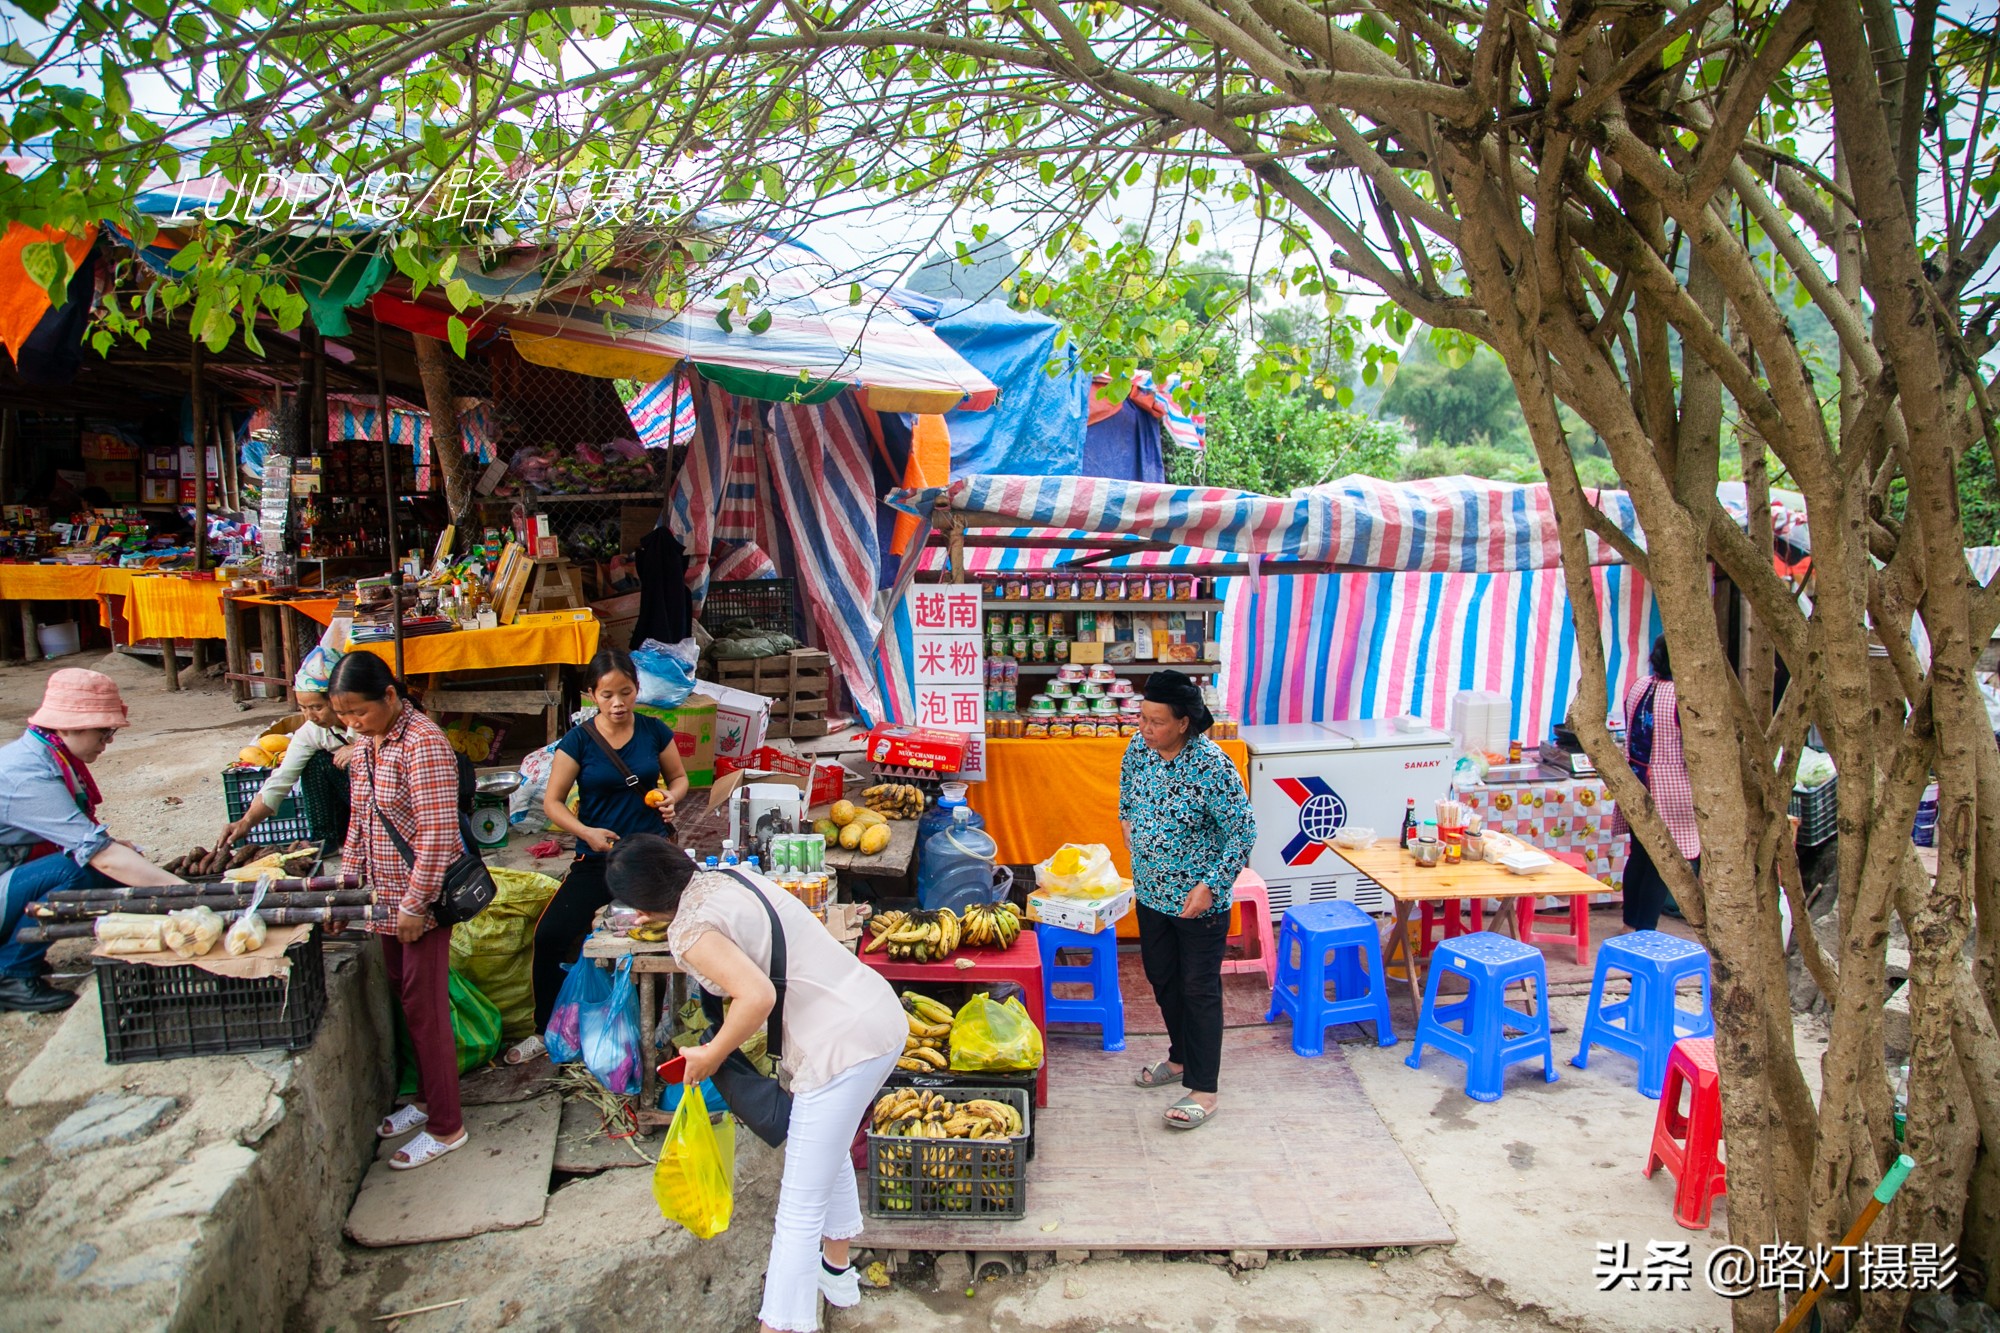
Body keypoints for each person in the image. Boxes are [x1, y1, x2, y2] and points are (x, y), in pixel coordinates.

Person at [608, 835, 905, 1333]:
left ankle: (782, 1324)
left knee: (797, 1210)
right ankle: (837, 1275)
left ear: (640, 904)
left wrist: (711, 1053)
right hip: (877, 1016)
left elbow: (757, 996)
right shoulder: (729, 875)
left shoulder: (688, 931)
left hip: (840, 1049)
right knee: (823, 1153)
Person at [504, 647, 689, 1065]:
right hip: (596, 858)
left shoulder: (654, 731)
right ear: (591, 695)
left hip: (647, 857)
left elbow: (678, 778)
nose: (618, 703)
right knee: (551, 934)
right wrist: (586, 832)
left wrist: (670, 800)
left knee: (656, 944)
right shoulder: (579, 741)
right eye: (607, 695)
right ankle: (544, 1028)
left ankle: (653, 1036)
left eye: (626, 692)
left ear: (638, 689)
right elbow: (552, 803)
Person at [330, 651, 468, 1170]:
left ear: (390, 696)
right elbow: (359, 821)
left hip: (419, 902)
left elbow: (436, 834)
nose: (351, 724)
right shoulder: (368, 744)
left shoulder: (424, 742)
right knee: (405, 999)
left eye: (358, 713)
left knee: (425, 1008)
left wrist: (416, 904)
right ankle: (428, 1098)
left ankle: (447, 1125)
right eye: (343, 716)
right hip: (382, 899)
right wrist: (347, 886)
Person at [0, 669, 187, 1012]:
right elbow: (97, 854)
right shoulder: (26, 773)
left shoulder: (47, 756)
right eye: (104, 731)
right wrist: (184, 893)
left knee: (100, 864)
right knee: (79, 869)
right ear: (70, 725)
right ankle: (10, 973)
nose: (109, 740)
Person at [1120, 669, 1256, 1131]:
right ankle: (1179, 1058)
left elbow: (1241, 833)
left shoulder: (1212, 766)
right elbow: (1127, 798)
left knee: (1199, 989)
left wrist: (1211, 885)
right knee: (1162, 978)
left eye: (1156, 721)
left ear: (1183, 723)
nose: (1145, 728)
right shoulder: (1139, 750)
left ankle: (1204, 1087)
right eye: (1142, 718)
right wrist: (1129, 828)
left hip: (1199, 901)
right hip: (1152, 891)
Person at [216, 645, 356, 849]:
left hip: (385, 795)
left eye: (317, 707)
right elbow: (281, 779)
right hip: (352, 794)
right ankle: (326, 838)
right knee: (315, 761)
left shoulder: (367, 718)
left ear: (338, 699)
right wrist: (246, 822)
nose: (310, 716)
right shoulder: (312, 731)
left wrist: (360, 749)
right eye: (303, 708)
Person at [1611, 636, 1697, 931]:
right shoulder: (1681, 696)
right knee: (1664, 862)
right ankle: (1644, 931)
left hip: (1634, 780)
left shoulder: (1640, 685)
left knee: (1639, 854)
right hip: (1668, 786)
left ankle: (1628, 924)